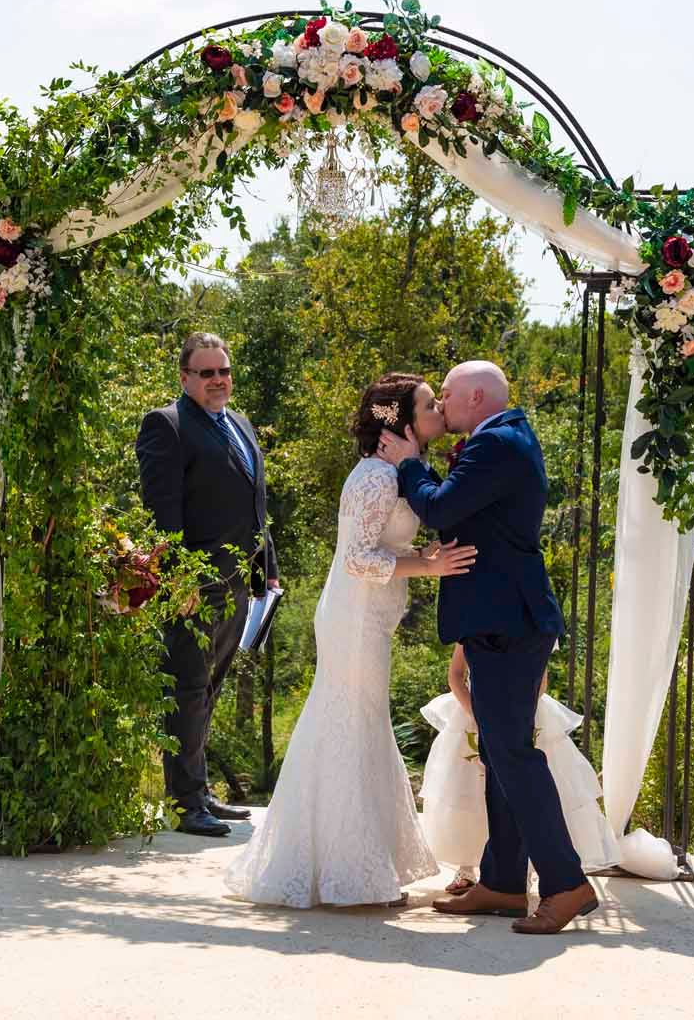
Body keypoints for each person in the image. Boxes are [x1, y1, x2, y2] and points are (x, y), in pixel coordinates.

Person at [225, 374, 474, 907]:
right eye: (430, 404)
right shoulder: (374, 479)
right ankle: (352, 875)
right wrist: (429, 567)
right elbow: (358, 558)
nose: (440, 409)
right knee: (352, 729)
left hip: (372, 618)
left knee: (354, 724)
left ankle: (354, 865)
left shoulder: (400, 471)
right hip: (354, 619)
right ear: (402, 422)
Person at [377, 359, 595, 936]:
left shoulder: (497, 443)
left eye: (445, 393)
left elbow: (442, 507)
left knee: (514, 755)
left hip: (510, 622)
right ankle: (500, 883)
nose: (441, 403)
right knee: (502, 752)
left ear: (475, 397)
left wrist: (408, 466)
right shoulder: (502, 437)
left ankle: (566, 884)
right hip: (504, 619)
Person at [136, 332, 281, 837]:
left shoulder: (238, 424)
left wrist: (269, 568)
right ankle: (184, 803)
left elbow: (256, 503)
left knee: (209, 689)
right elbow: (163, 513)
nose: (218, 380)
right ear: (185, 378)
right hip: (194, 585)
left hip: (239, 582)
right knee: (187, 688)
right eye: (207, 373)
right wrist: (180, 580)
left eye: (224, 371)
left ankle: (198, 791)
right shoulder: (167, 426)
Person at [420, 644, 619, 895]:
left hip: (523, 712)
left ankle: (520, 871)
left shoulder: (530, 624)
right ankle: (467, 867)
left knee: (522, 793)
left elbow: (540, 678)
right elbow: (456, 675)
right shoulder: (472, 623)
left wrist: (519, 714)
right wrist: (476, 712)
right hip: (475, 711)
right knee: (469, 790)